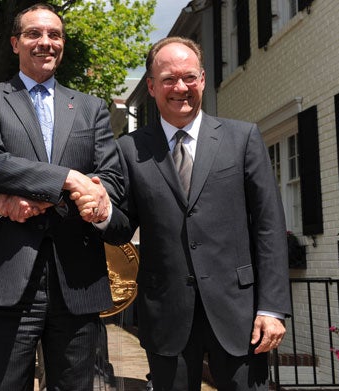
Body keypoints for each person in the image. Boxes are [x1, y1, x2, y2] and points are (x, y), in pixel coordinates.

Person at [104, 36, 292, 390]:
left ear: (203, 79)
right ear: (151, 86)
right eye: (169, 79)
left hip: (241, 314)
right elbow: (120, 227)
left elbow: (268, 226)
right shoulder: (129, 149)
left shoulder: (243, 138)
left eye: (189, 77)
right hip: (167, 314)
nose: (180, 87)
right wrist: (100, 211)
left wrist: (272, 308)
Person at [0, 4, 124, 390]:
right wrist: (69, 179)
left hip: (77, 281)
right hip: (6, 278)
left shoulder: (91, 107)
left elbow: (112, 178)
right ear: (16, 43)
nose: (45, 43)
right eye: (34, 34)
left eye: (55, 35)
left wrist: (94, 194)